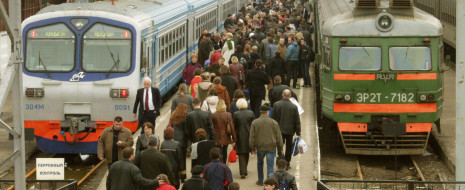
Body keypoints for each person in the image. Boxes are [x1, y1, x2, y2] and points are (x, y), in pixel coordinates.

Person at [249, 105, 283, 186]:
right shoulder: (274, 123)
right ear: (268, 112)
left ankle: (260, 180)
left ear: (260, 113)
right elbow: (279, 137)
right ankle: (269, 182)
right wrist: (280, 148)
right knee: (270, 165)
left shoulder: (254, 123)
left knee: (260, 163)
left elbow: (251, 137)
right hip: (271, 147)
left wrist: (252, 148)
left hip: (260, 147)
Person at [271, 89, 301, 170]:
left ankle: (281, 162)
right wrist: (298, 132)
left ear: (282, 95)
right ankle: (287, 163)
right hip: (290, 131)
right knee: (289, 147)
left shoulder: (276, 105)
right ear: (290, 96)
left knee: (280, 147)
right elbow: (297, 120)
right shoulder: (294, 107)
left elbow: (273, 119)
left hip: (279, 131)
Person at [232, 98, 255, 179]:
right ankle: (244, 169)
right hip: (249, 135)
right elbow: (253, 125)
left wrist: (233, 137)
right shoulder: (251, 113)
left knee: (241, 154)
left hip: (239, 135)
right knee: (246, 153)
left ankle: (243, 171)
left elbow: (234, 126)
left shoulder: (236, 114)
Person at [170, 104, 189, 177]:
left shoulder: (173, 116)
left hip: (174, 140)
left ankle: (176, 174)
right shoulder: (185, 118)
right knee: (183, 158)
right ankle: (183, 175)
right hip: (183, 141)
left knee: (176, 158)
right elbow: (186, 131)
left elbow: (171, 128)